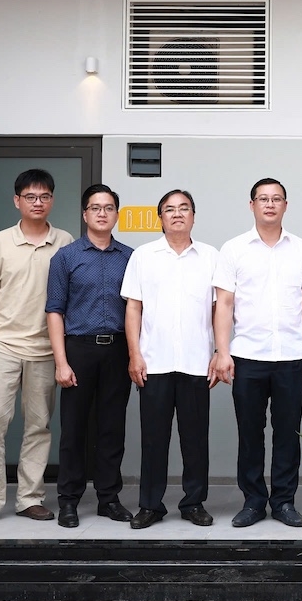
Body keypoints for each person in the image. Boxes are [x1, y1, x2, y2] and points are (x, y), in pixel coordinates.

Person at [0, 169, 75, 528]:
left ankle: (30, 498)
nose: (37, 202)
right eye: (30, 197)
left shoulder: (65, 241)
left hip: (45, 350)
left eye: (44, 196)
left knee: (39, 426)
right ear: (17, 201)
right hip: (2, 346)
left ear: (52, 200)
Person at [212, 178, 302, 529]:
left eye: (277, 199)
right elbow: (224, 304)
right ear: (252, 205)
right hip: (247, 356)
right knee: (250, 433)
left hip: (291, 356)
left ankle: (284, 502)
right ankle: (253, 502)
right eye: (263, 199)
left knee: (288, 433)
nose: (270, 204)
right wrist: (222, 351)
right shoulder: (234, 249)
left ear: (286, 205)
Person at [123, 189, 219, 530]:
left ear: (193, 215)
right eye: (169, 209)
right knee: (153, 439)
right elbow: (133, 308)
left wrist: (219, 352)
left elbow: (219, 310)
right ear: (160, 217)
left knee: (195, 439)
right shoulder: (143, 256)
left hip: (196, 362)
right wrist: (134, 354)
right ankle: (150, 505)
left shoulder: (211, 256)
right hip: (154, 363)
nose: (177, 214)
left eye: (184, 208)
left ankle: (194, 503)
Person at [45, 184, 134, 528]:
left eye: (108, 208)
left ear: (116, 215)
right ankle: (68, 500)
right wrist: (61, 362)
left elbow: (137, 310)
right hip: (78, 349)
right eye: (95, 208)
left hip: (118, 349)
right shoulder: (65, 257)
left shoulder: (130, 257)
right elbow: (54, 310)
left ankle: (108, 499)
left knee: (112, 427)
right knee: (74, 429)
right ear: (85, 214)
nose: (102, 213)